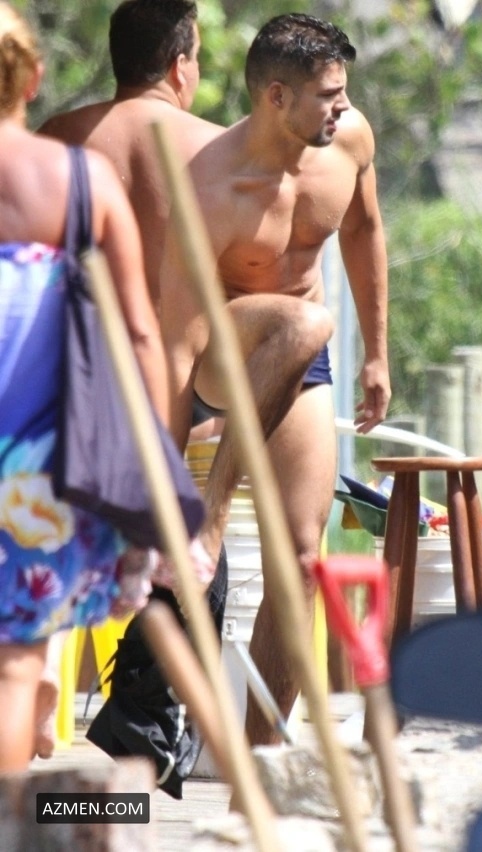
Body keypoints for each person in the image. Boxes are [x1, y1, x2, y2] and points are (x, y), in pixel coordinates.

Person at [38, 0, 334, 793]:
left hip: (83, 379)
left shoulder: (56, 141)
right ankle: (225, 761)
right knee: (235, 544)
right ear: (181, 64)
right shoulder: (213, 148)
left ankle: (90, 728)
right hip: (188, 372)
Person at [160, 13, 391, 746]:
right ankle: (212, 511)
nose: (342, 108)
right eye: (327, 96)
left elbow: (364, 230)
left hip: (302, 351)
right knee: (304, 323)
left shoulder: (348, 141)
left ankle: (259, 764)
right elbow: (177, 341)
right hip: (219, 350)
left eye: (343, 92)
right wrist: (166, 480)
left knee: (302, 560)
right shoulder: (211, 185)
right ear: (276, 97)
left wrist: (378, 353)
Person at [0, 2, 186, 773]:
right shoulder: (80, 182)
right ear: (33, 78)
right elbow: (141, 336)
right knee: (14, 667)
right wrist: (154, 472)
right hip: (35, 472)